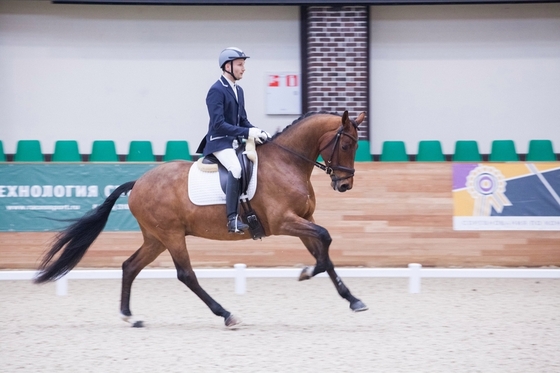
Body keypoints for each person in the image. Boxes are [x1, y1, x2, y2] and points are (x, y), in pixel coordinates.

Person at [196, 47, 269, 234]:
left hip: (235, 141)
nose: (243, 68)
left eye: (243, 65)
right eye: (240, 64)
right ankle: (232, 220)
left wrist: (257, 131)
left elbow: (242, 120)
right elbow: (219, 124)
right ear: (227, 66)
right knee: (235, 168)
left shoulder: (239, 90)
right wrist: (247, 132)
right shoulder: (216, 90)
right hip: (219, 141)